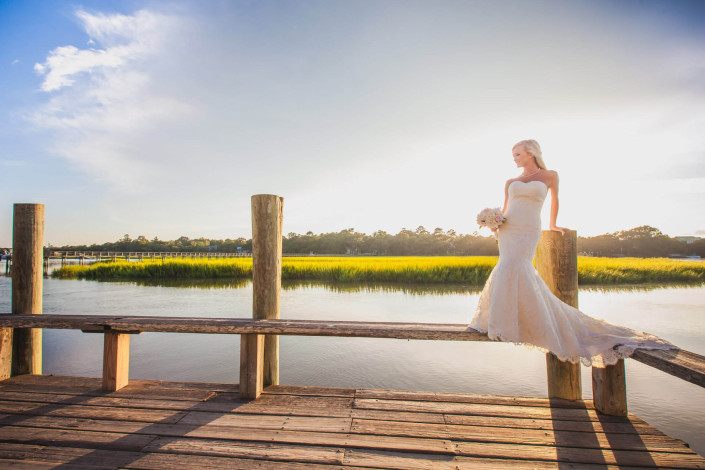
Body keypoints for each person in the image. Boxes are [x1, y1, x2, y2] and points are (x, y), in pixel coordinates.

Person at [469, 139, 674, 366]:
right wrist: (494, 222)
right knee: (506, 265)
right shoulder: (510, 181)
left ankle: (532, 323)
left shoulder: (550, 176)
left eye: (517, 154)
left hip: (529, 228)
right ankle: (500, 322)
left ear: (530, 153)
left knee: (520, 266)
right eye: (513, 155)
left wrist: (553, 225)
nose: (514, 158)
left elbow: (555, 200)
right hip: (509, 229)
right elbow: (506, 208)